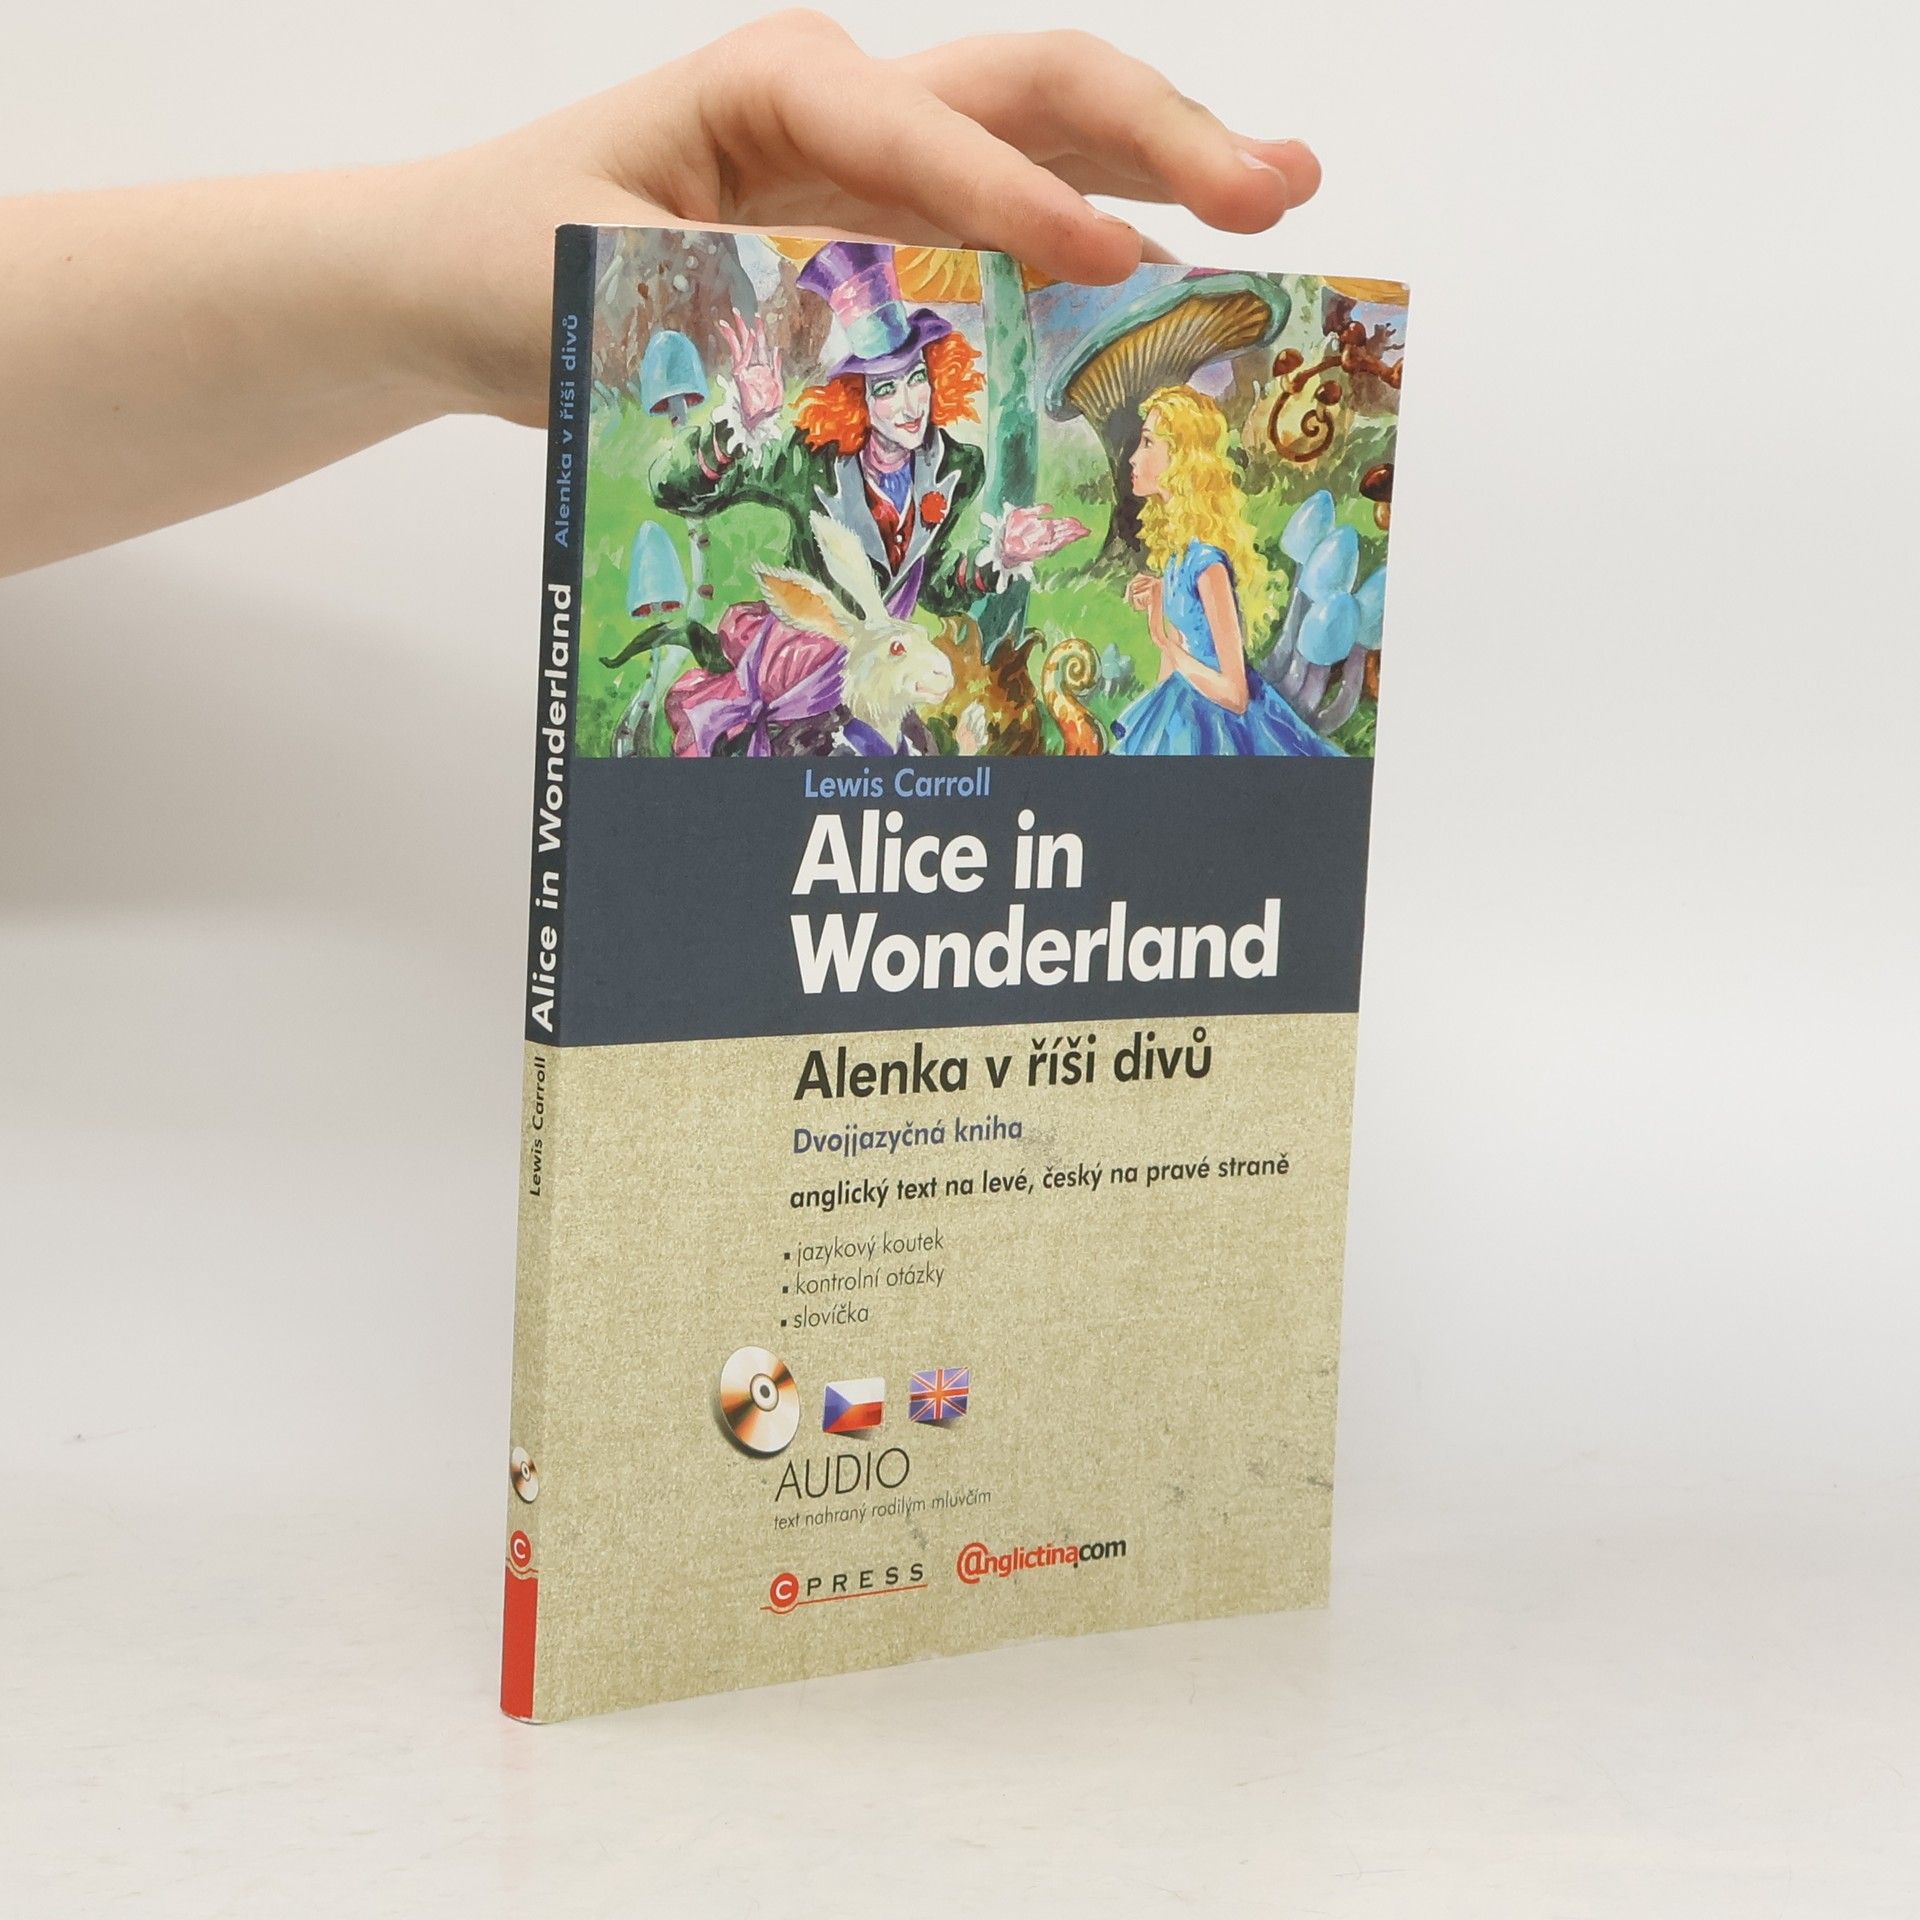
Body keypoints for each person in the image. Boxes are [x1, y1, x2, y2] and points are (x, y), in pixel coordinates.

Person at [0, 16, 1320, 580]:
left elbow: (959, 578)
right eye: (884, 390)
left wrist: (1003, 558)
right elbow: (719, 500)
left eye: (915, 385)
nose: (905, 407)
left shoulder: (965, 468)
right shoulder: (818, 466)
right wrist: (744, 406)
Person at [1111, 384, 1339, 757]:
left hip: (1223, 726)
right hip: (1183, 706)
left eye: (1148, 443)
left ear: (1181, 458)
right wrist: (1161, 603)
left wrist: (1162, 640)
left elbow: (1236, 695)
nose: (1134, 458)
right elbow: (1175, 663)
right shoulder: (1176, 554)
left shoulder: (1208, 564)